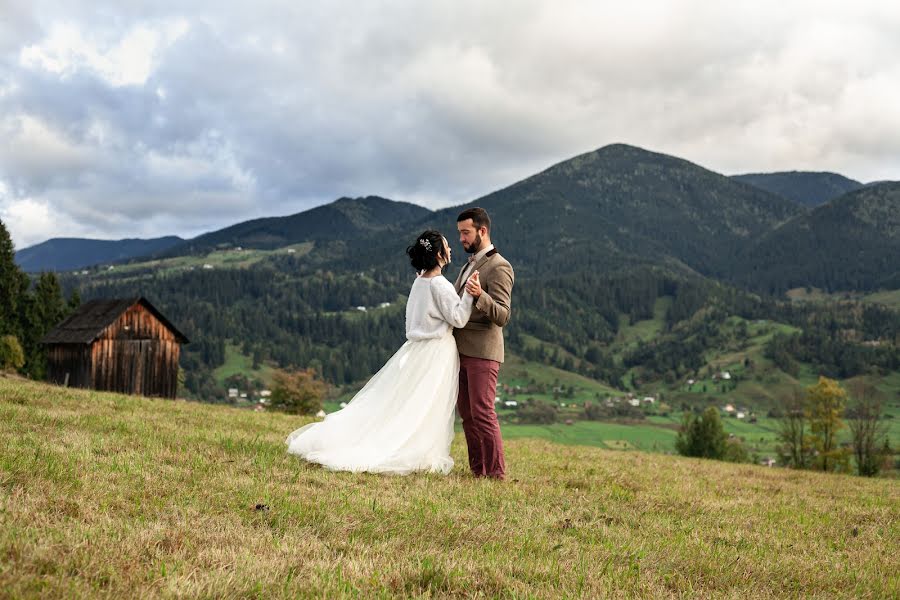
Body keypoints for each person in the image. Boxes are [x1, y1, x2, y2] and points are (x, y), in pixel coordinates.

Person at [285, 230, 475, 475]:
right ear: (439, 255)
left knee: (406, 402)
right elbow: (458, 318)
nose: (450, 251)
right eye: (447, 247)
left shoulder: (420, 281)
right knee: (424, 404)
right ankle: (415, 450)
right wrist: (469, 294)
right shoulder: (439, 284)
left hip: (415, 349)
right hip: (435, 352)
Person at [453, 207, 514, 480]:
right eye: (460, 233)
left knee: (482, 412)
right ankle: (479, 471)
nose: (462, 239)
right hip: (461, 350)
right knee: (467, 414)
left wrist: (480, 296)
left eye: (465, 233)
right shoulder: (469, 264)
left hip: (483, 352)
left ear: (482, 230)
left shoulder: (500, 265)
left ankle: (497, 474)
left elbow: (502, 314)